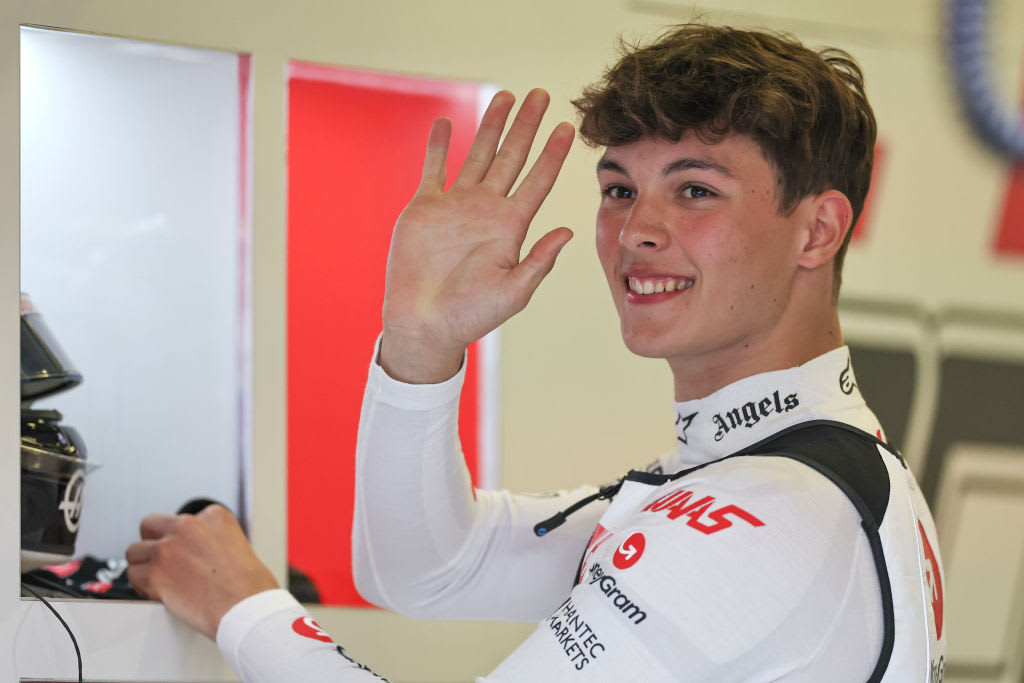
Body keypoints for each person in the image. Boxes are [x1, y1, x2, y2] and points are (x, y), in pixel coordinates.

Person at [126, 23, 946, 682]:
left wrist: (247, 609)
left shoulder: (781, 513)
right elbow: (424, 570)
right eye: (620, 189)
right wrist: (422, 346)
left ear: (819, 229)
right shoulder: (759, 472)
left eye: (695, 189)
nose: (637, 232)